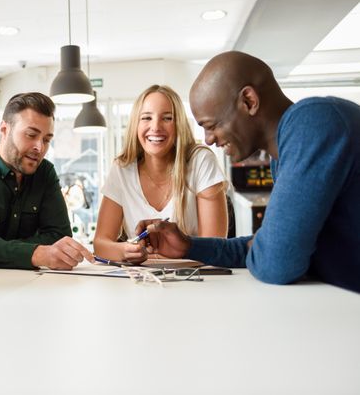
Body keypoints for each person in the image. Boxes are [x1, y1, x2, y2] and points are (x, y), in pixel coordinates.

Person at [137, 51, 360, 293]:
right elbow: (266, 246)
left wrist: (268, 247)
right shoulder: (282, 155)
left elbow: (276, 263)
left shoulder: (314, 123)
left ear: (249, 101)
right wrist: (188, 246)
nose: (209, 140)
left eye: (212, 126)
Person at [0, 92, 93, 270]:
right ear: (4, 130)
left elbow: (59, 236)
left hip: (29, 283)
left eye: (46, 140)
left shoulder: (45, 173)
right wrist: (38, 253)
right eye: (31, 135)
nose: (40, 147)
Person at [93, 85, 227, 264]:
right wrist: (125, 251)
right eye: (146, 117)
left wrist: (157, 256)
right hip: (141, 283)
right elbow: (100, 243)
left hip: (194, 282)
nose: (155, 127)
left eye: (167, 118)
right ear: (136, 124)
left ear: (179, 124)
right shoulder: (122, 169)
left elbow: (215, 246)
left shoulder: (200, 161)